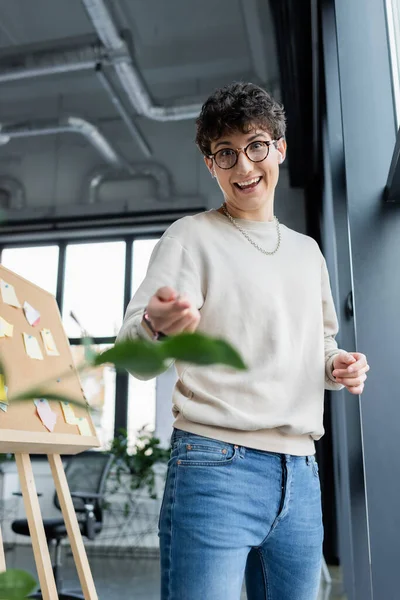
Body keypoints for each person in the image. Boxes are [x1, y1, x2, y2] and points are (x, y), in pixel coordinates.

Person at [116, 82, 369, 600]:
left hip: (300, 473)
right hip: (214, 468)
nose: (243, 166)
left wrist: (337, 364)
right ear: (211, 165)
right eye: (225, 154)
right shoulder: (190, 237)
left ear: (278, 147)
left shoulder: (308, 253)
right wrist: (158, 327)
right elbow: (135, 357)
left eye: (255, 145)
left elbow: (320, 344)